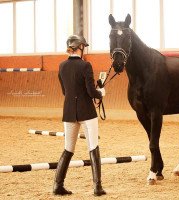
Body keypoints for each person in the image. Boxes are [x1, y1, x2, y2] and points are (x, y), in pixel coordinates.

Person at [53, 35, 106, 196]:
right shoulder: (86, 66)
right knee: (93, 146)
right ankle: (97, 187)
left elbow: (65, 92)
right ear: (80, 47)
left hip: (68, 112)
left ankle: (57, 185)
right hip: (87, 112)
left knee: (68, 148)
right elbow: (91, 92)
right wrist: (101, 92)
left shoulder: (61, 66)